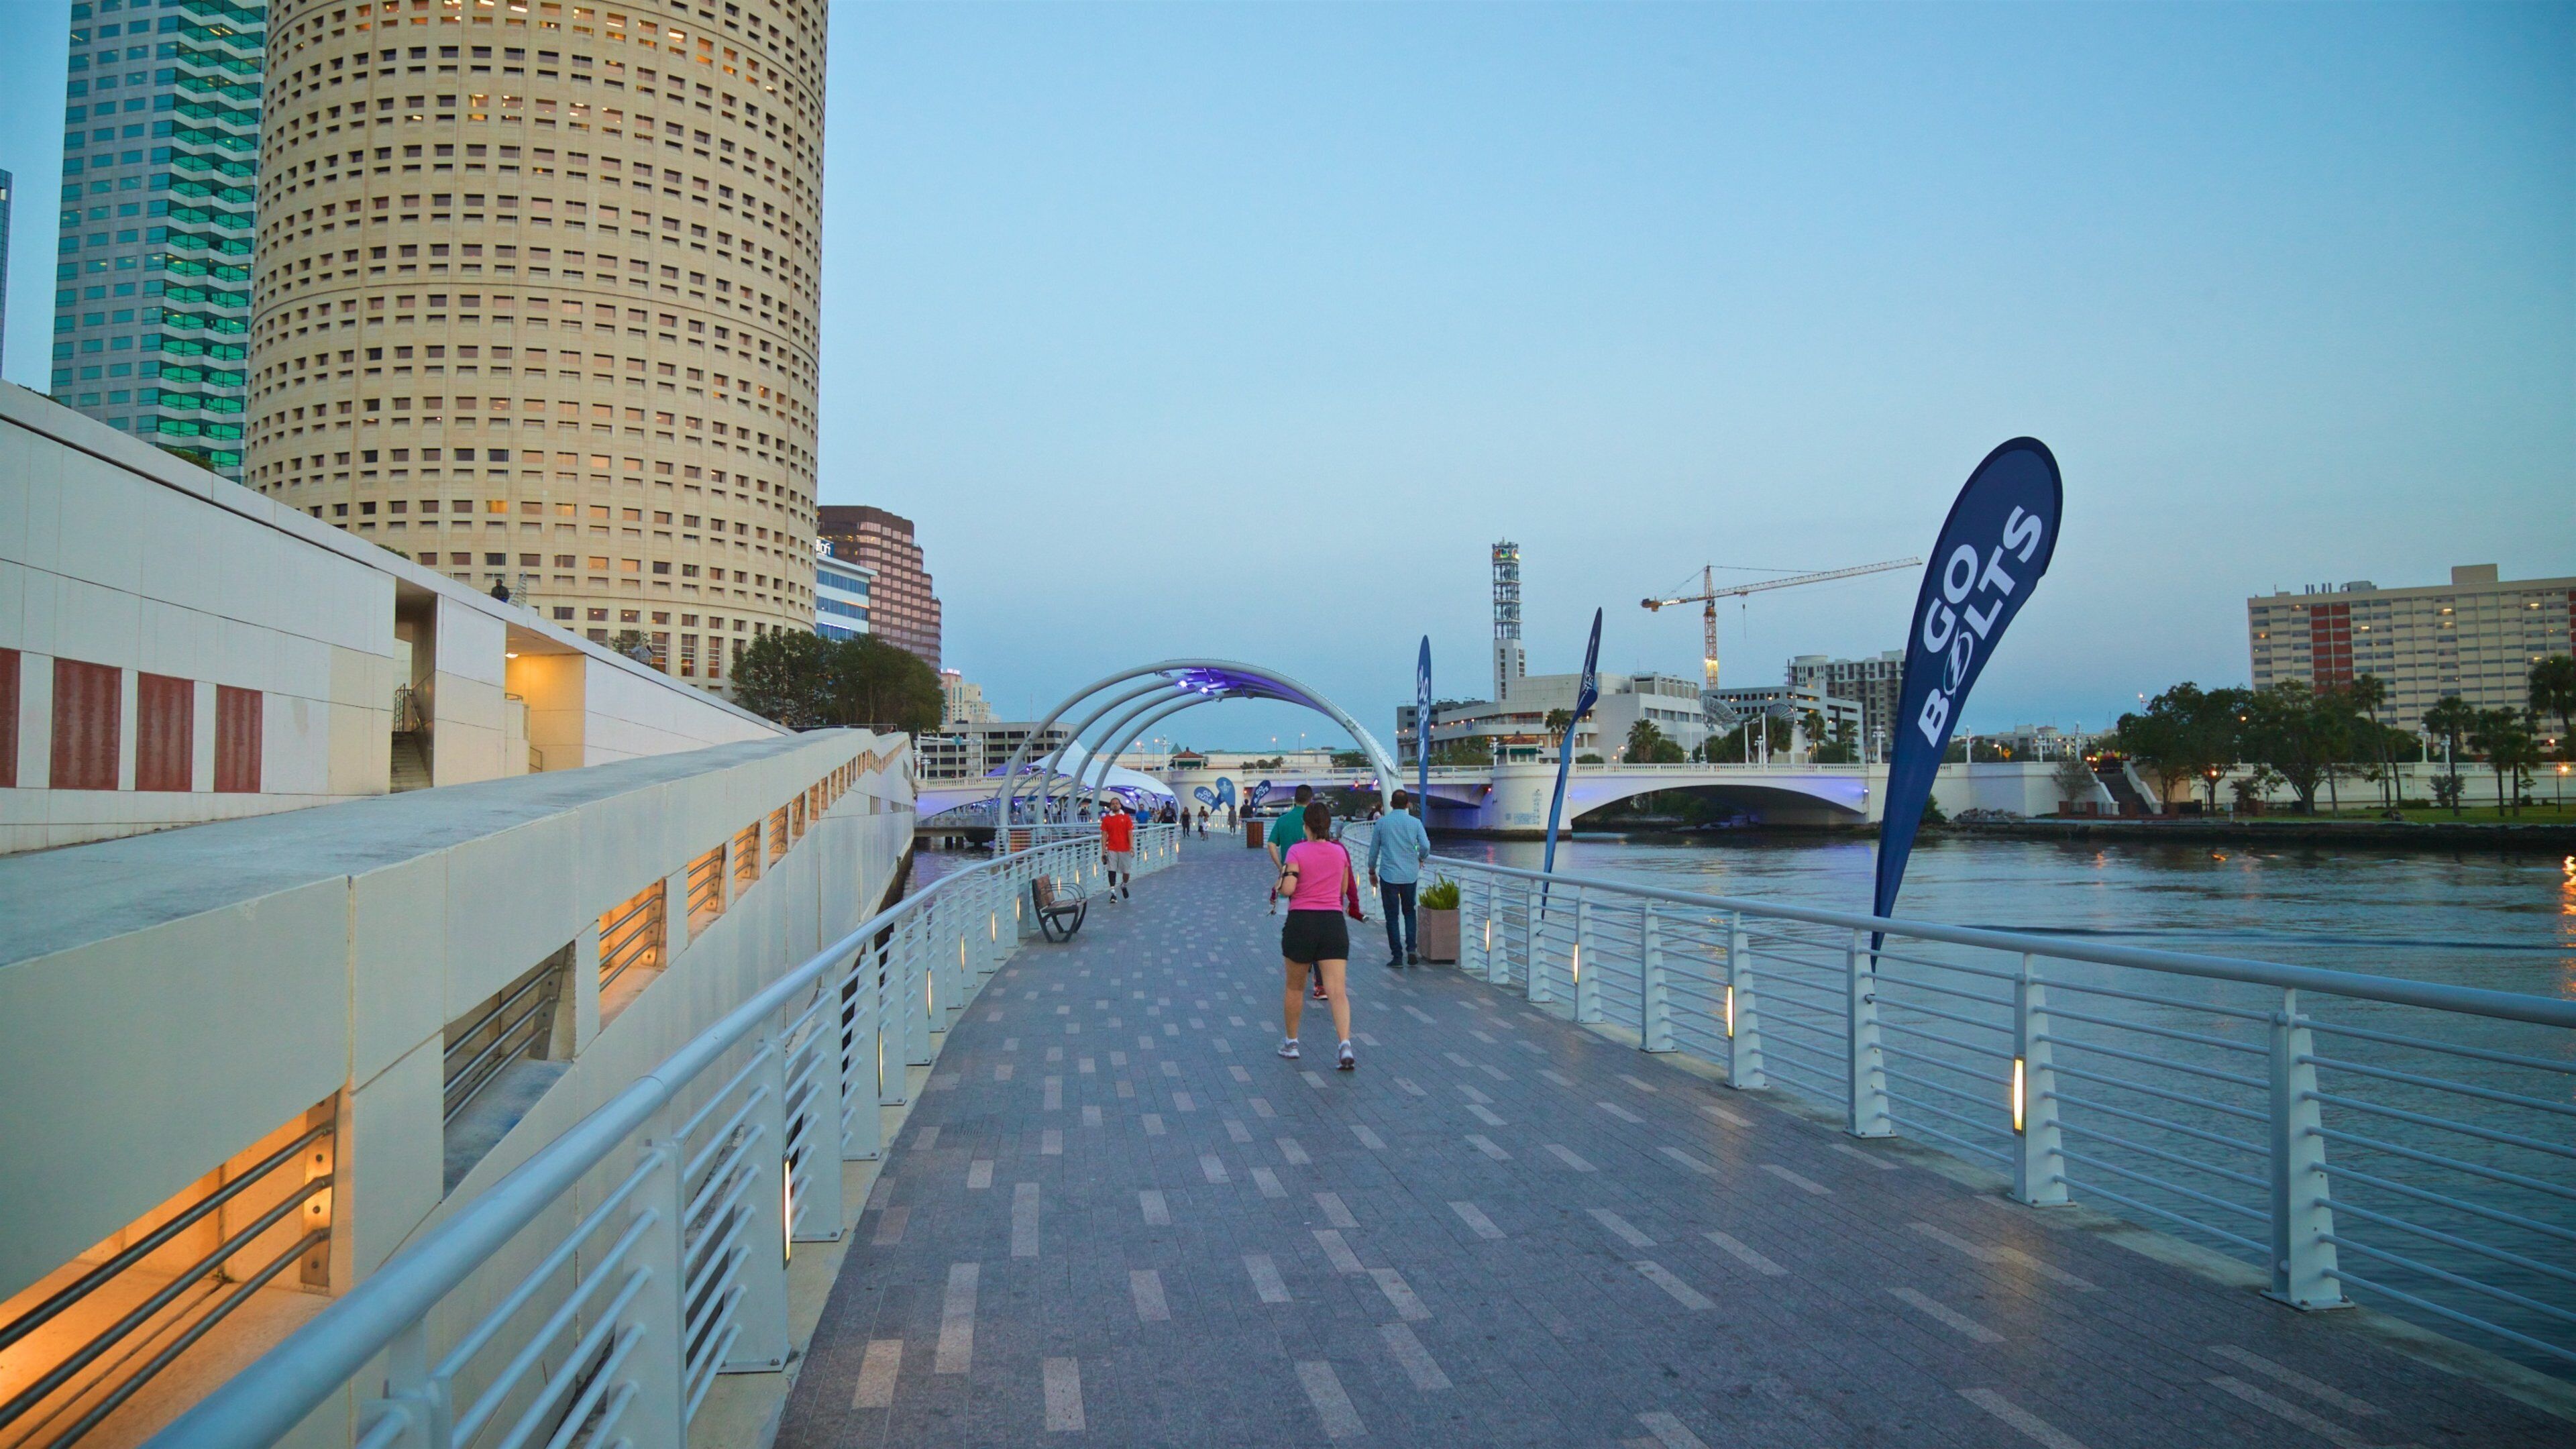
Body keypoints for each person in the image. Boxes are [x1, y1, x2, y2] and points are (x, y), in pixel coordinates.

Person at [1275, 801, 1359, 1071]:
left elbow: (1288, 888)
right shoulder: (1339, 852)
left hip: (1302, 922)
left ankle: (1292, 1043)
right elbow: (1343, 888)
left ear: (1306, 826)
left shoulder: (1297, 850)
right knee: (1337, 991)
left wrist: (1280, 882)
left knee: (1295, 987)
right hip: (1333, 923)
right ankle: (1344, 1044)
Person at [1367, 788, 1433, 967]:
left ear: (1390, 804)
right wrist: (1419, 857)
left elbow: (1374, 850)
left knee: (1392, 916)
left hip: (1389, 875)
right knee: (1409, 912)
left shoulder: (1382, 824)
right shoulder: (1415, 823)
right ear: (1407, 805)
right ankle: (1411, 949)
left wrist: (1371, 871)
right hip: (1410, 875)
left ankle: (1397, 956)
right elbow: (1425, 846)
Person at [1265, 784, 1316, 917]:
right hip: (1313, 874)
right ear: (1311, 799)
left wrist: (1280, 867)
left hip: (1289, 874)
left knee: (1294, 911)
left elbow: (1271, 844)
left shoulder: (1283, 820)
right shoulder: (1315, 820)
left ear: (1295, 799)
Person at [1099, 797, 1134, 901]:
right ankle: (1113, 894)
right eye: (1113, 804)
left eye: (1117, 803)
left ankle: (1123, 885)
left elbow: (1130, 833)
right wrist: (1103, 852)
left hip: (1125, 849)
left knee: (1126, 872)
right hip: (1112, 848)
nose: (1115, 805)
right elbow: (1104, 835)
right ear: (1111, 806)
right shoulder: (1107, 819)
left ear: (1120, 805)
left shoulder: (1126, 817)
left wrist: (1131, 847)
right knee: (1111, 870)